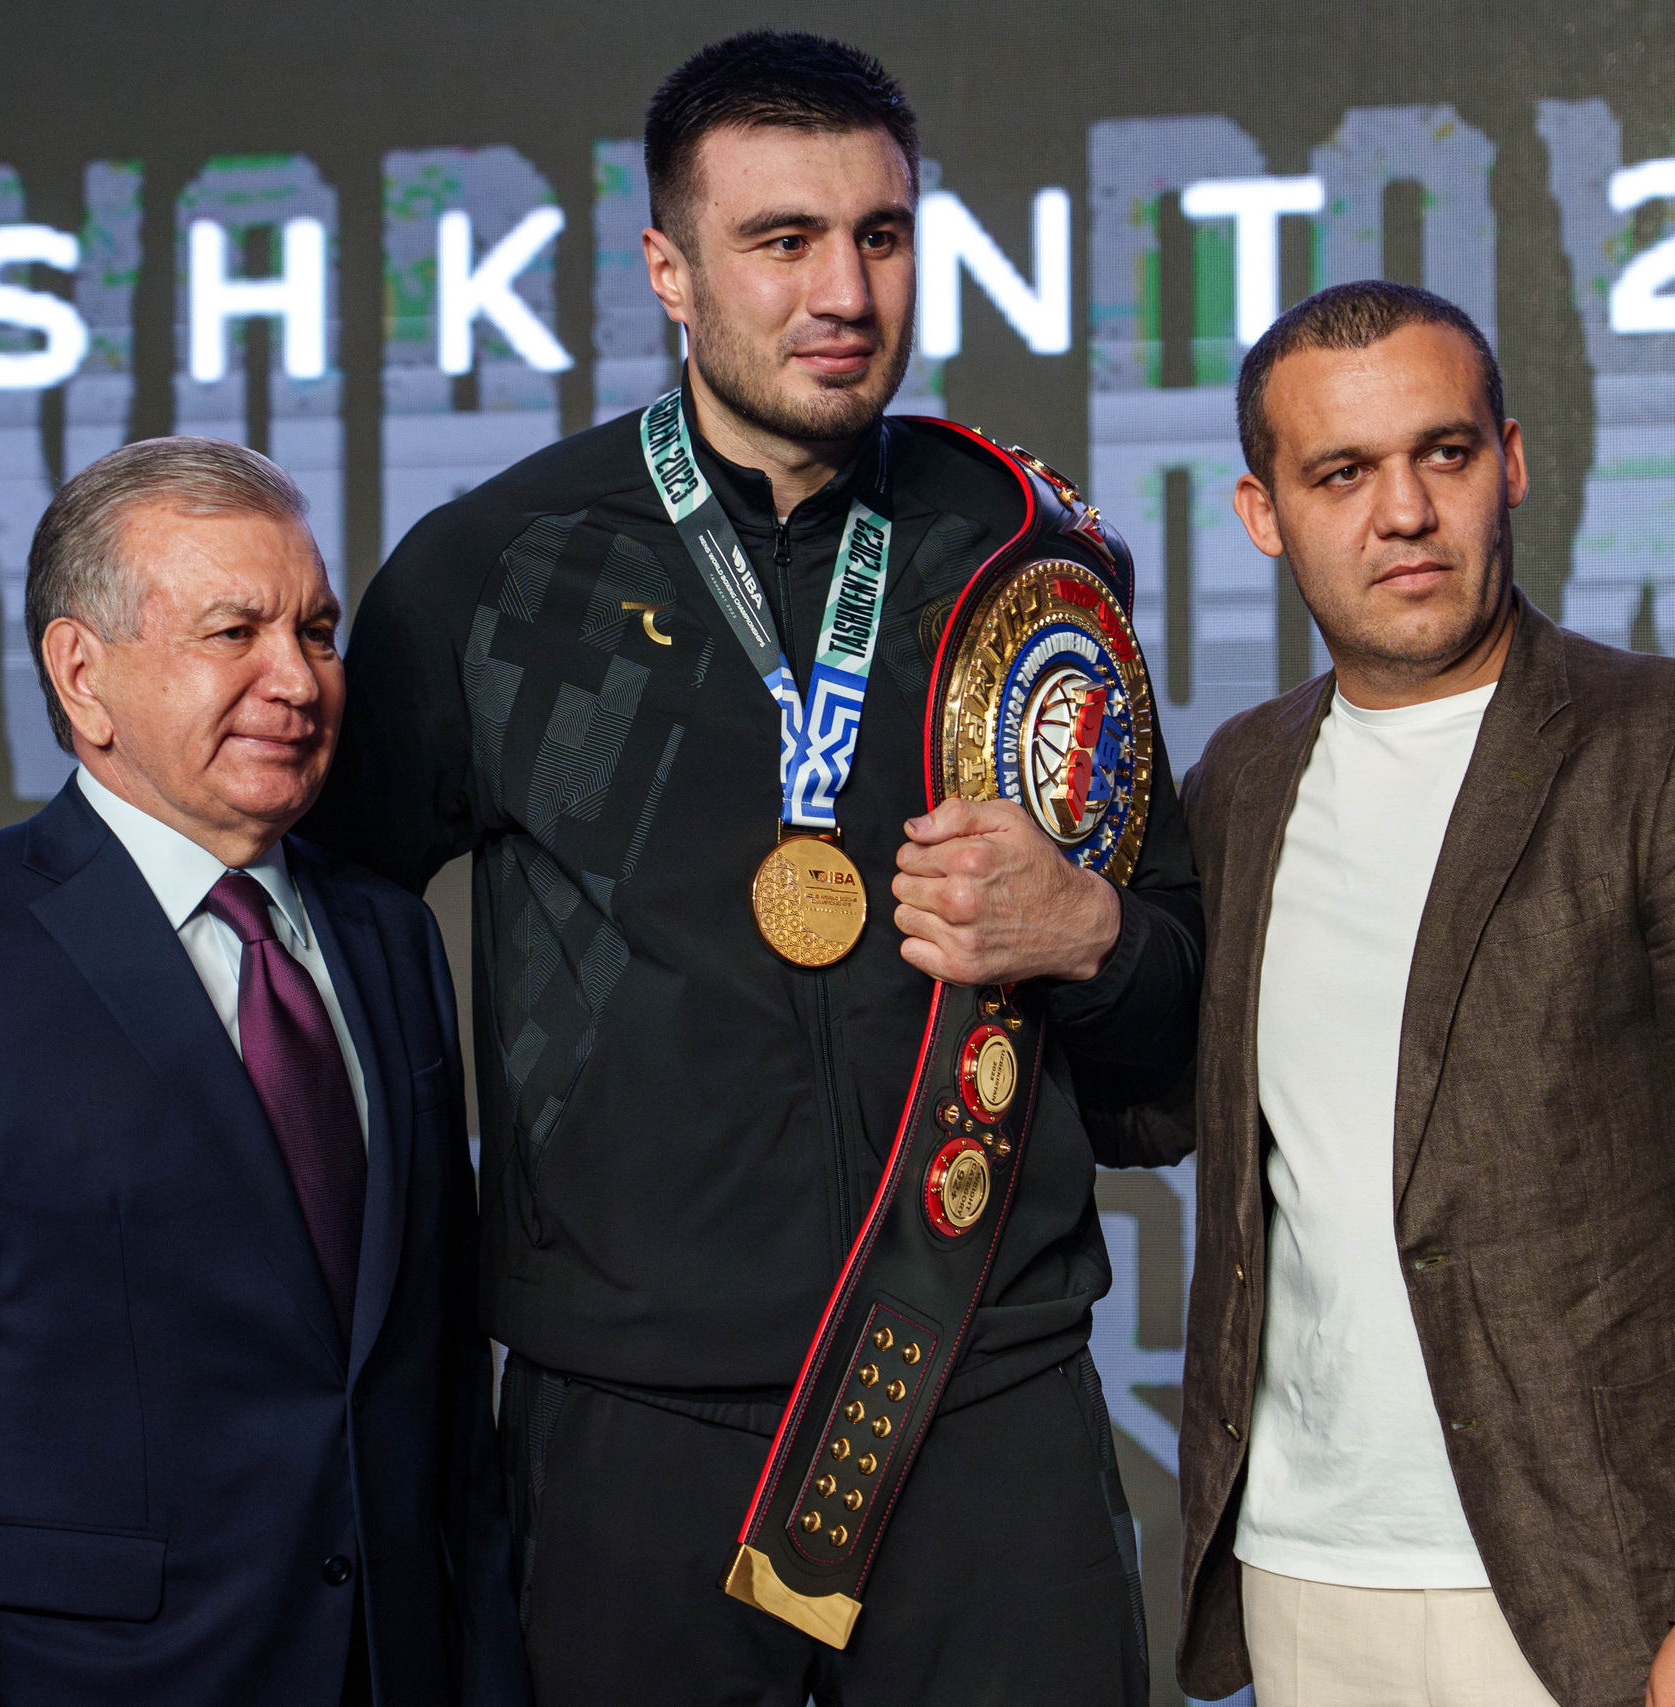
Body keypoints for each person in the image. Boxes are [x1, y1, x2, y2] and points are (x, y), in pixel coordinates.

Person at [300, 30, 1200, 1707]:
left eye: (879, 234)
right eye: (780, 242)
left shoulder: (1022, 554)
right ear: (670, 269)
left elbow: (1173, 1030)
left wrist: (1088, 931)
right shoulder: (493, 574)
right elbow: (324, 946)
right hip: (630, 1427)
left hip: (981, 1402)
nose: (841, 291)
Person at [1104, 281, 1675, 1707]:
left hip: (1609, 1591)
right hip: (1304, 1572)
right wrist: (1068, 930)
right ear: (1263, 512)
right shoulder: (1243, 776)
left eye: (1443, 453)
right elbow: (1161, 1109)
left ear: (1512, 462)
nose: (1402, 510)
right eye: (1342, 471)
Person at [0, 438, 520, 1706]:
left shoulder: (390, 936)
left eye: (319, 631)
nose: (299, 680)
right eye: (236, 632)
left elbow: (438, 1385)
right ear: (83, 674)